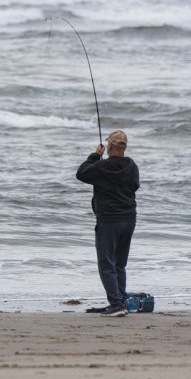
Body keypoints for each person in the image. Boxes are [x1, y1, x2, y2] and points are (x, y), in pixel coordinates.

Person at [75, 130, 139, 316]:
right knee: (119, 263)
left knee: (106, 263)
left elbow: (81, 173)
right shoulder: (131, 166)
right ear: (124, 146)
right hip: (129, 219)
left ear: (109, 146)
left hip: (109, 220)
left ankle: (116, 304)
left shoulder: (102, 167)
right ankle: (120, 301)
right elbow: (135, 185)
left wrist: (95, 155)